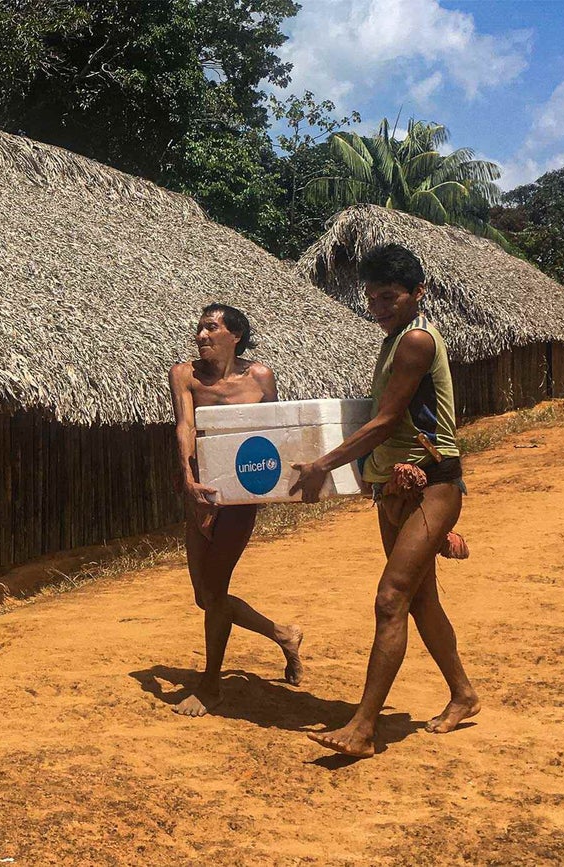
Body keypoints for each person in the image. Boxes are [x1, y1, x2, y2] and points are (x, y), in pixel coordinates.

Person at [290, 243, 479, 758]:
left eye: (389, 296)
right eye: (371, 297)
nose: (378, 305)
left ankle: (365, 727)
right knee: (420, 599)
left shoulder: (415, 340)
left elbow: (387, 419)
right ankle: (463, 693)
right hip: (396, 487)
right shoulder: (394, 339)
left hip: (432, 484)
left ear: (418, 293)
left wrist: (322, 466)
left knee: (391, 598)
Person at [168, 303, 304, 717]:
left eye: (211, 328)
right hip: (201, 491)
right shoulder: (184, 375)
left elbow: (275, 430)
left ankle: (211, 685)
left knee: (214, 588)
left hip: (242, 496)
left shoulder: (259, 376)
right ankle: (281, 633)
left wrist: (276, 486)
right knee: (204, 597)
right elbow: (185, 426)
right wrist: (189, 483)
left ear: (235, 335)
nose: (201, 336)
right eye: (199, 329)